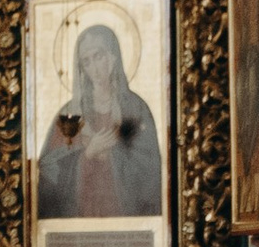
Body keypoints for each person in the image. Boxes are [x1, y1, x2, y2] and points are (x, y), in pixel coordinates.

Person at [37, 18, 165, 219]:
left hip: (124, 217)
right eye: (86, 61)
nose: (94, 68)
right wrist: (87, 155)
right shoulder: (69, 113)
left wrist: (112, 155)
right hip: (81, 218)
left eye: (98, 56)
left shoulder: (135, 107)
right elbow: (48, 170)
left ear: (113, 57)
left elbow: (151, 168)